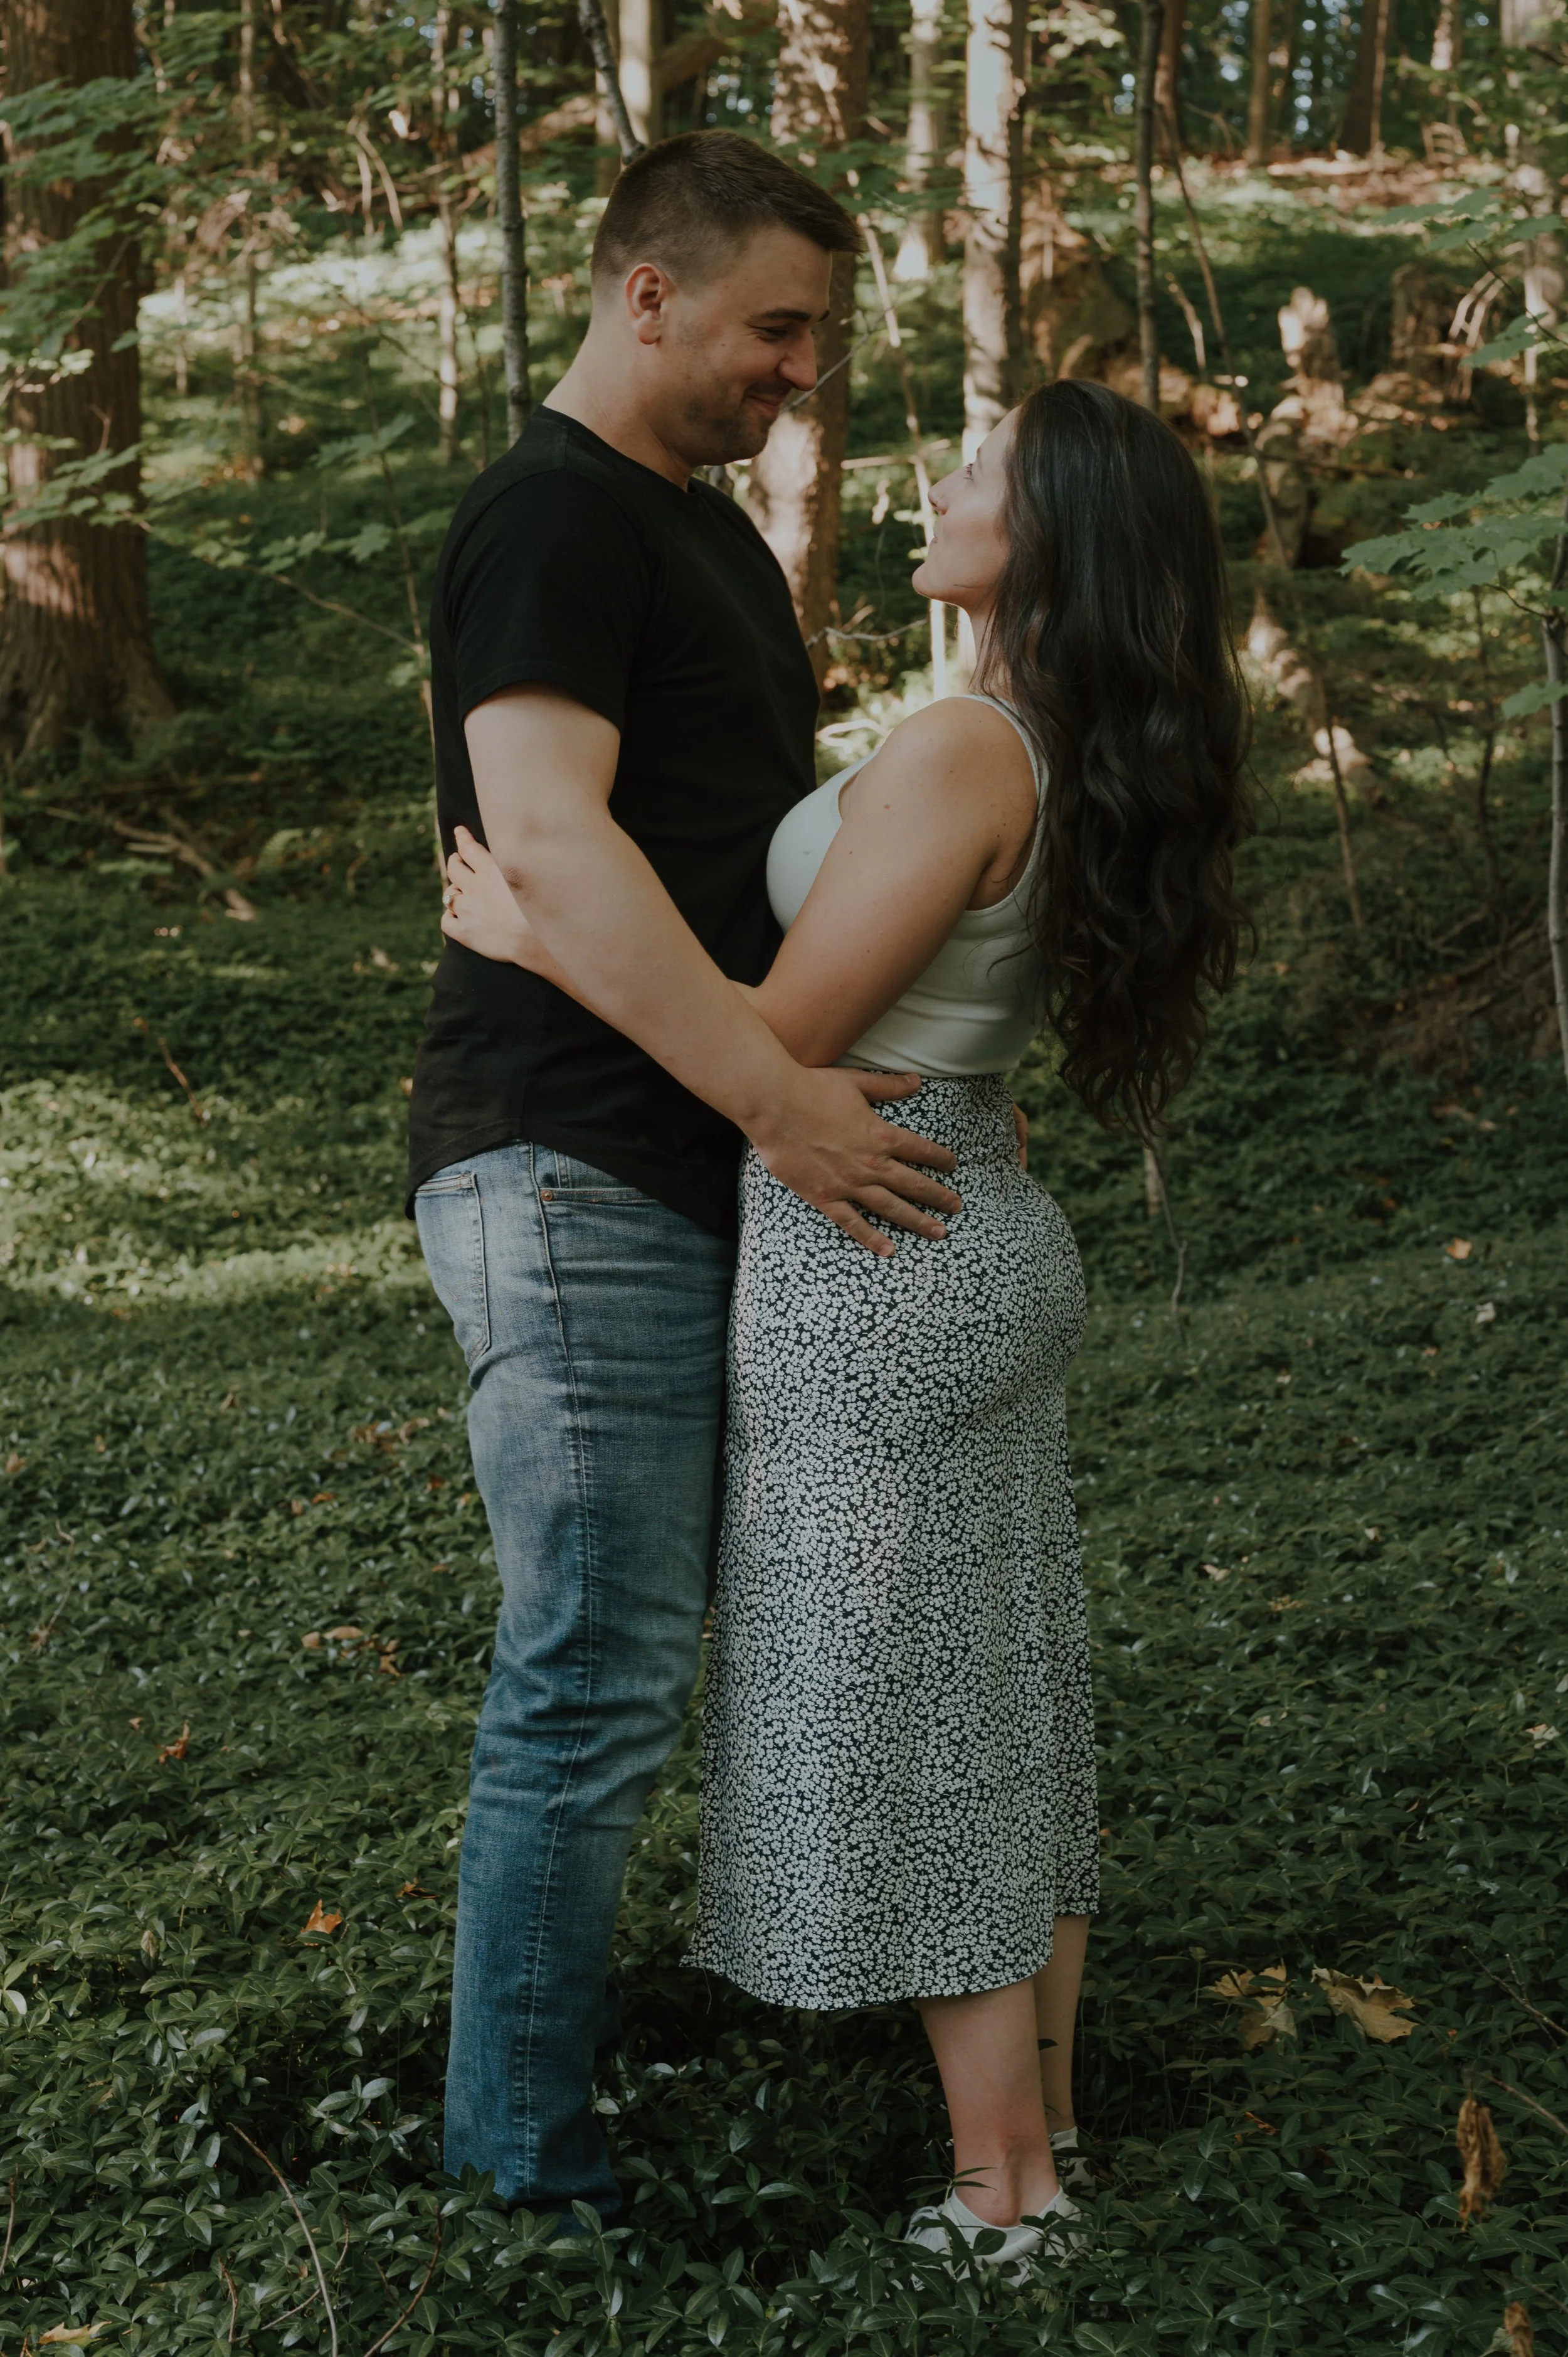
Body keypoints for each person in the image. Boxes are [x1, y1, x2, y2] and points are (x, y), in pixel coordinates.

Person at [442, 377, 1253, 2274]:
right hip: (942, 1203)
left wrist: (541, 931)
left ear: (1045, 530)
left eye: (978, 471)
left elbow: (786, 1035)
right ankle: (1034, 2141)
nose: (939, 483)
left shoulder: (969, 743)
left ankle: (1003, 2189)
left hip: (866, 1242)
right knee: (1008, 1693)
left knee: (924, 1719)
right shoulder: (1042, 739)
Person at [407, 130, 962, 2224]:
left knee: (654, 1655)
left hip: (684, 1155)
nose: (799, 369)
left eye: (812, 332)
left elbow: (726, 844)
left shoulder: (704, 535)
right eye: (773, 326)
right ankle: (517, 2174)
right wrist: (778, 1099)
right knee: (593, 1663)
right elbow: (546, 839)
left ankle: (604, 2060)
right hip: (569, 1164)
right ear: (644, 292)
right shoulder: (547, 521)